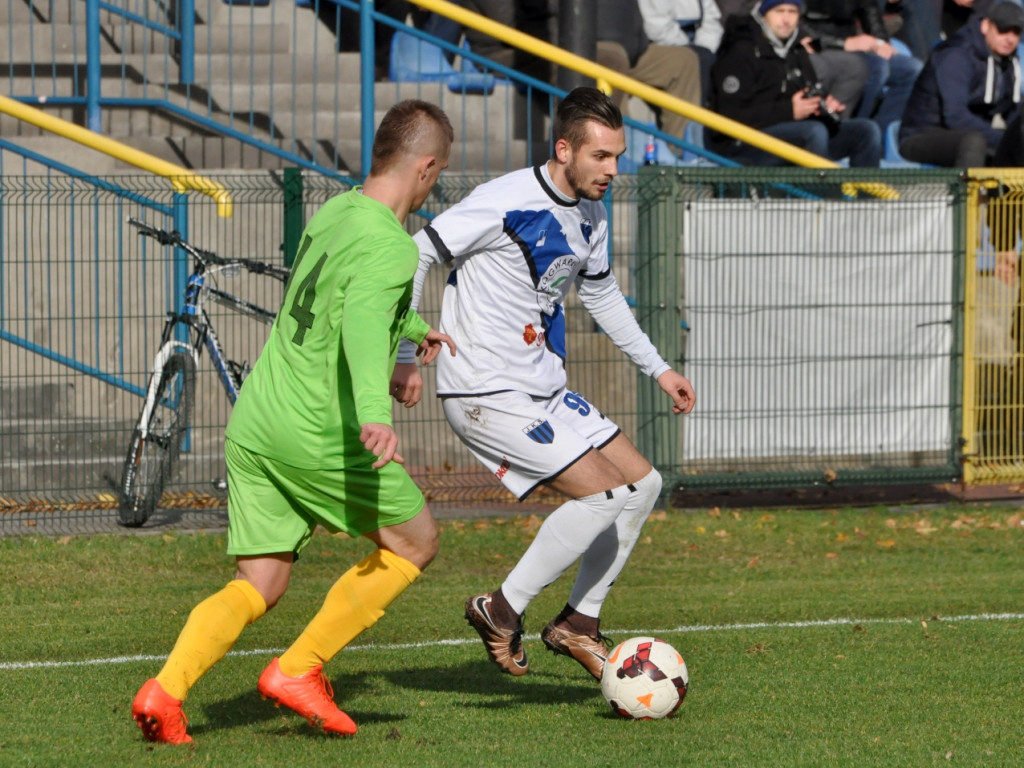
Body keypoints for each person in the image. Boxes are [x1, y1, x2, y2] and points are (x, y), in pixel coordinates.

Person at [130, 99, 457, 744]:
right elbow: (362, 324)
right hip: (315, 429)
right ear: (425, 167)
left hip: (258, 420)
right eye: (437, 174)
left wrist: (415, 326)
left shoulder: (338, 209)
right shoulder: (393, 246)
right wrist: (376, 415)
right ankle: (299, 669)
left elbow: (340, 296)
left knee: (261, 581)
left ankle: (164, 693)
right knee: (416, 542)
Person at [391, 87, 696, 681]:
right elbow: (417, 251)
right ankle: (501, 610)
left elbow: (602, 295)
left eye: (617, 156)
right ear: (564, 149)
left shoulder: (592, 214)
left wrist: (658, 368)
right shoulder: (503, 200)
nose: (612, 169)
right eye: (600, 156)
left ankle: (578, 622)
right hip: (483, 389)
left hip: (543, 389)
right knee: (602, 496)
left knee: (643, 485)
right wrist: (406, 350)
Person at [708, 0, 883, 166]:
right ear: (763, 15)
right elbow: (729, 117)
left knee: (865, 131)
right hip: (744, 142)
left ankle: (865, 188)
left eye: (792, 12)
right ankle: (820, 188)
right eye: (779, 11)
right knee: (813, 132)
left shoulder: (795, 49)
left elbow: (805, 94)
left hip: (793, 131)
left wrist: (822, 107)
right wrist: (789, 111)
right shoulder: (740, 51)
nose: (786, 19)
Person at [898, 1, 1024, 167]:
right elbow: (955, 116)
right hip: (921, 135)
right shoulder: (956, 55)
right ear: (986, 26)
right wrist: (1004, 140)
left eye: (1016, 32)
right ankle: (967, 186)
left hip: (971, 134)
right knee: (974, 143)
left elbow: (1013, 110)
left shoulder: (1007, 62)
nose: (1010, 38)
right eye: (1003, 30)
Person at [800, 0, 924, 133]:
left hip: (853, 43)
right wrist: (843, 43)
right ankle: (857, 131)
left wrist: (881, 41)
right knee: (877, 68)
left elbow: (869, 7)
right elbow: (795, 23)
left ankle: (883, 134)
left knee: (912, 69)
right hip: (818, 47)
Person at [596, 0, 704, 141]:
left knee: (685, 60)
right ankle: (620, 147)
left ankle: (679, 148)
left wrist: (640, 43)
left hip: (634, 49)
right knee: (613, 57)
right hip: (592, 50)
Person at [639, 0, 726, 103]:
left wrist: (705, 47)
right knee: (697, 61)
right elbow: (657, 27)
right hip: (662, 45)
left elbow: (712, 21)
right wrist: (690, 48)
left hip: (699, 45)